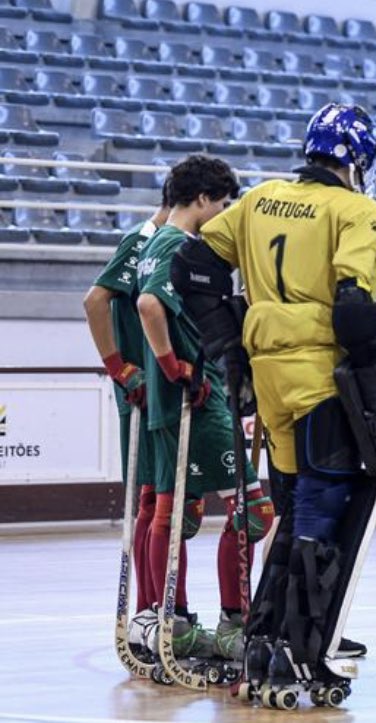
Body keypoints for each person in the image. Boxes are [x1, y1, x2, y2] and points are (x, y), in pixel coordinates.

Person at [197, 103, 376, 704]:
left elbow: (194, 267)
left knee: (288, 506)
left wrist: (229, 347)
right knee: (321, 504)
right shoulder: (358, 211)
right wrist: (375, 379)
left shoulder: (256, 199)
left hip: (267, 372)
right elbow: (354, 307)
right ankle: (301, 649)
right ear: (355, 160)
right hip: (318, 376)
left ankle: (264, 637)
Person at [134, 156, 267, 663]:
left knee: (171, 512)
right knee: (255, 512)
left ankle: (174, 620)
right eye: (224, 203)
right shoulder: (176, 246)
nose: (225, 212)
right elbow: (150, 306)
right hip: (198, 399)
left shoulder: (151, 243)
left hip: (171, 407)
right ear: (205, 200)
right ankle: (234, 623)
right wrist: (176, 367)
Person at [83, 186, 170, 651]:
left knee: (157, 501)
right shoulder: (144, 238)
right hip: (140, 392)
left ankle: (154, 611)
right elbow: (94, 300)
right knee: (151, 502)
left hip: (156, 391)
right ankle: (147, 610)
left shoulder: (159, 241)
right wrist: (119, 368)